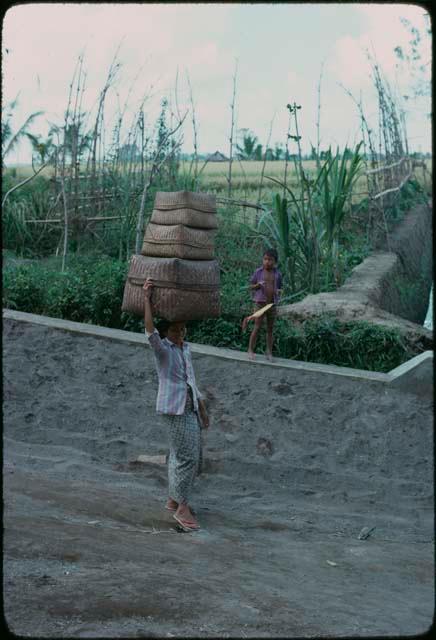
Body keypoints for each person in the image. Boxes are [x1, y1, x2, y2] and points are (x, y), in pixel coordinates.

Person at [142, 277, 209, 532]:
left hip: (188, 405)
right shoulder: (163, 350)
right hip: (173, 408)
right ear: (166, 332)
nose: (179, 334)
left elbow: (191, 379)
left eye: (181, 330)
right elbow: (150, 332)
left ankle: (173, 499)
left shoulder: (186, 349)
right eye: (174, 330)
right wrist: (147, 299)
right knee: (186, 457)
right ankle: (182, 507)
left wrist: (201, 405)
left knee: (184, 453)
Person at [244, 248, 282, 361]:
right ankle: (250, 350)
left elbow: (280, 288)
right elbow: (250, 286)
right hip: (260, 304)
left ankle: (269, 352)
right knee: (257, 327)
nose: (267, 262)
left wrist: (279, 292)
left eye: (270, 260)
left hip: (271, 305)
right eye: (265, 259)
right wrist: (257, 285)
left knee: (270, 329)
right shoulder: (258, 272)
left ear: (275, 261)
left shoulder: (278, 274)